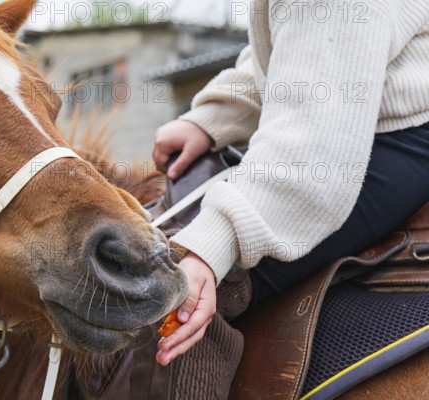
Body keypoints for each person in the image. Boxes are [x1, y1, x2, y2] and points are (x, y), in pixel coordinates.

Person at [152, 0, 429, 370]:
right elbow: (295, 45)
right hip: (362, 118)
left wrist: (210, 246)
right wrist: (214, 115)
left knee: (161, 297)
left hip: (375, 144)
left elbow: (311, 158)